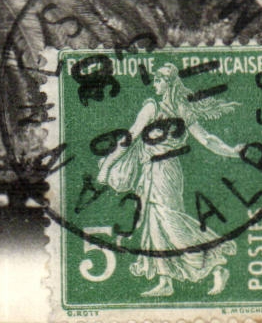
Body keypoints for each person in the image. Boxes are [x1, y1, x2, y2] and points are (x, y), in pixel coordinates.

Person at [96, 64, 241, 297]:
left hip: (168, 172)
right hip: (150, 171)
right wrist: (108, 163)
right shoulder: (151, 107)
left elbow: (206, 139)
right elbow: (130, 138)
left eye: (159, 80)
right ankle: (165, 281)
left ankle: (215, 265)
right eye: (155, 80)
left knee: (170, 221)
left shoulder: (179, 109)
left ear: (169, 82)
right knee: (154, 225)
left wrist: (233, 151)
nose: (155, 84)